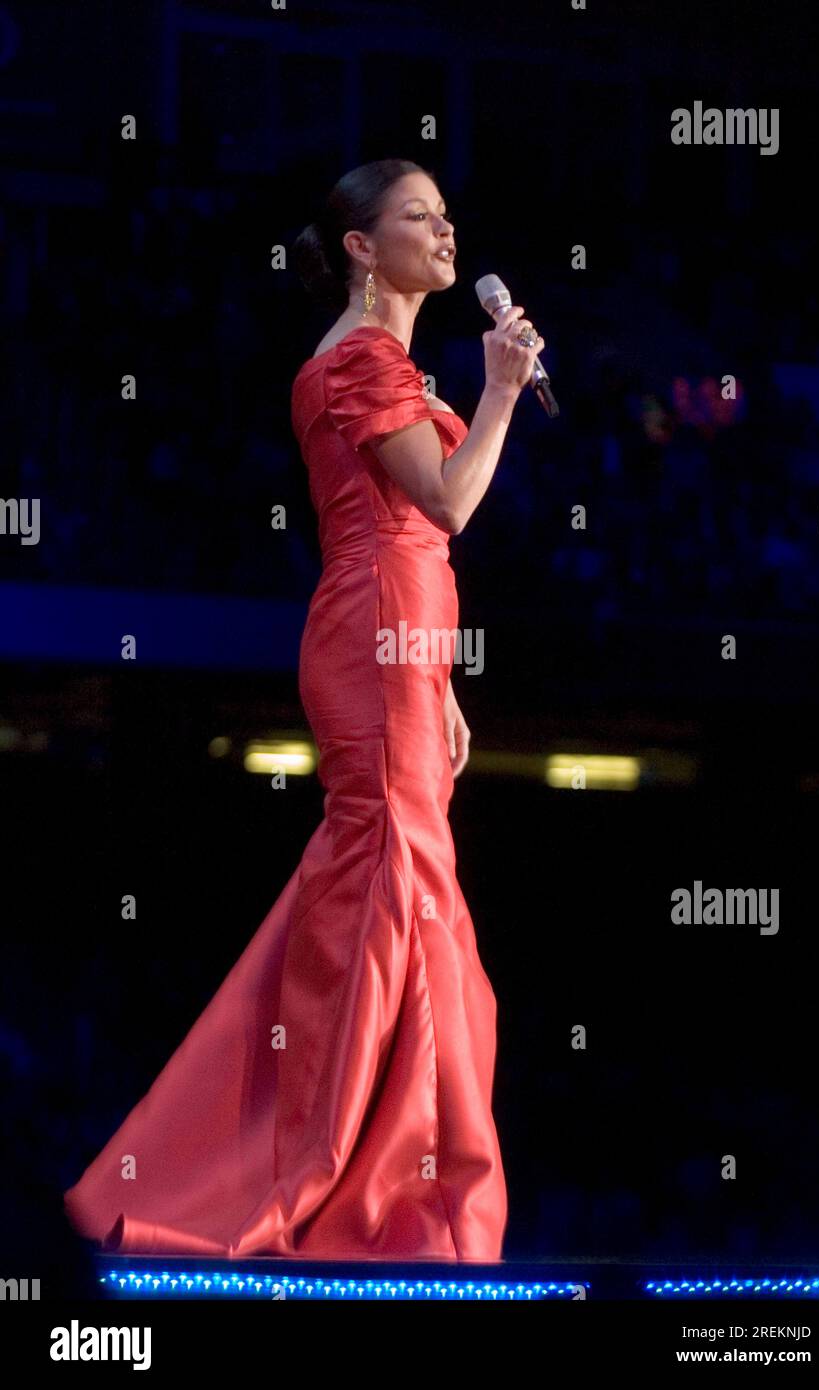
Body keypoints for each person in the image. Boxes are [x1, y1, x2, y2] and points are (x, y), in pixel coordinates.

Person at [63, 158, 544, 1262]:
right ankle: (346, 1188)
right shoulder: (362, 360)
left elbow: (420, 527)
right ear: (364, 249)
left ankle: (392, 1190)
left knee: (398, 888)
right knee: (392, 884)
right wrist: (507, 388)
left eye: (447, 210)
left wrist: (441, 676)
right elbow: (444, 504)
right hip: (374, 627)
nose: (446, 227)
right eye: (417, 215)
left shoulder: (389, 362)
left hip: (402, 640)